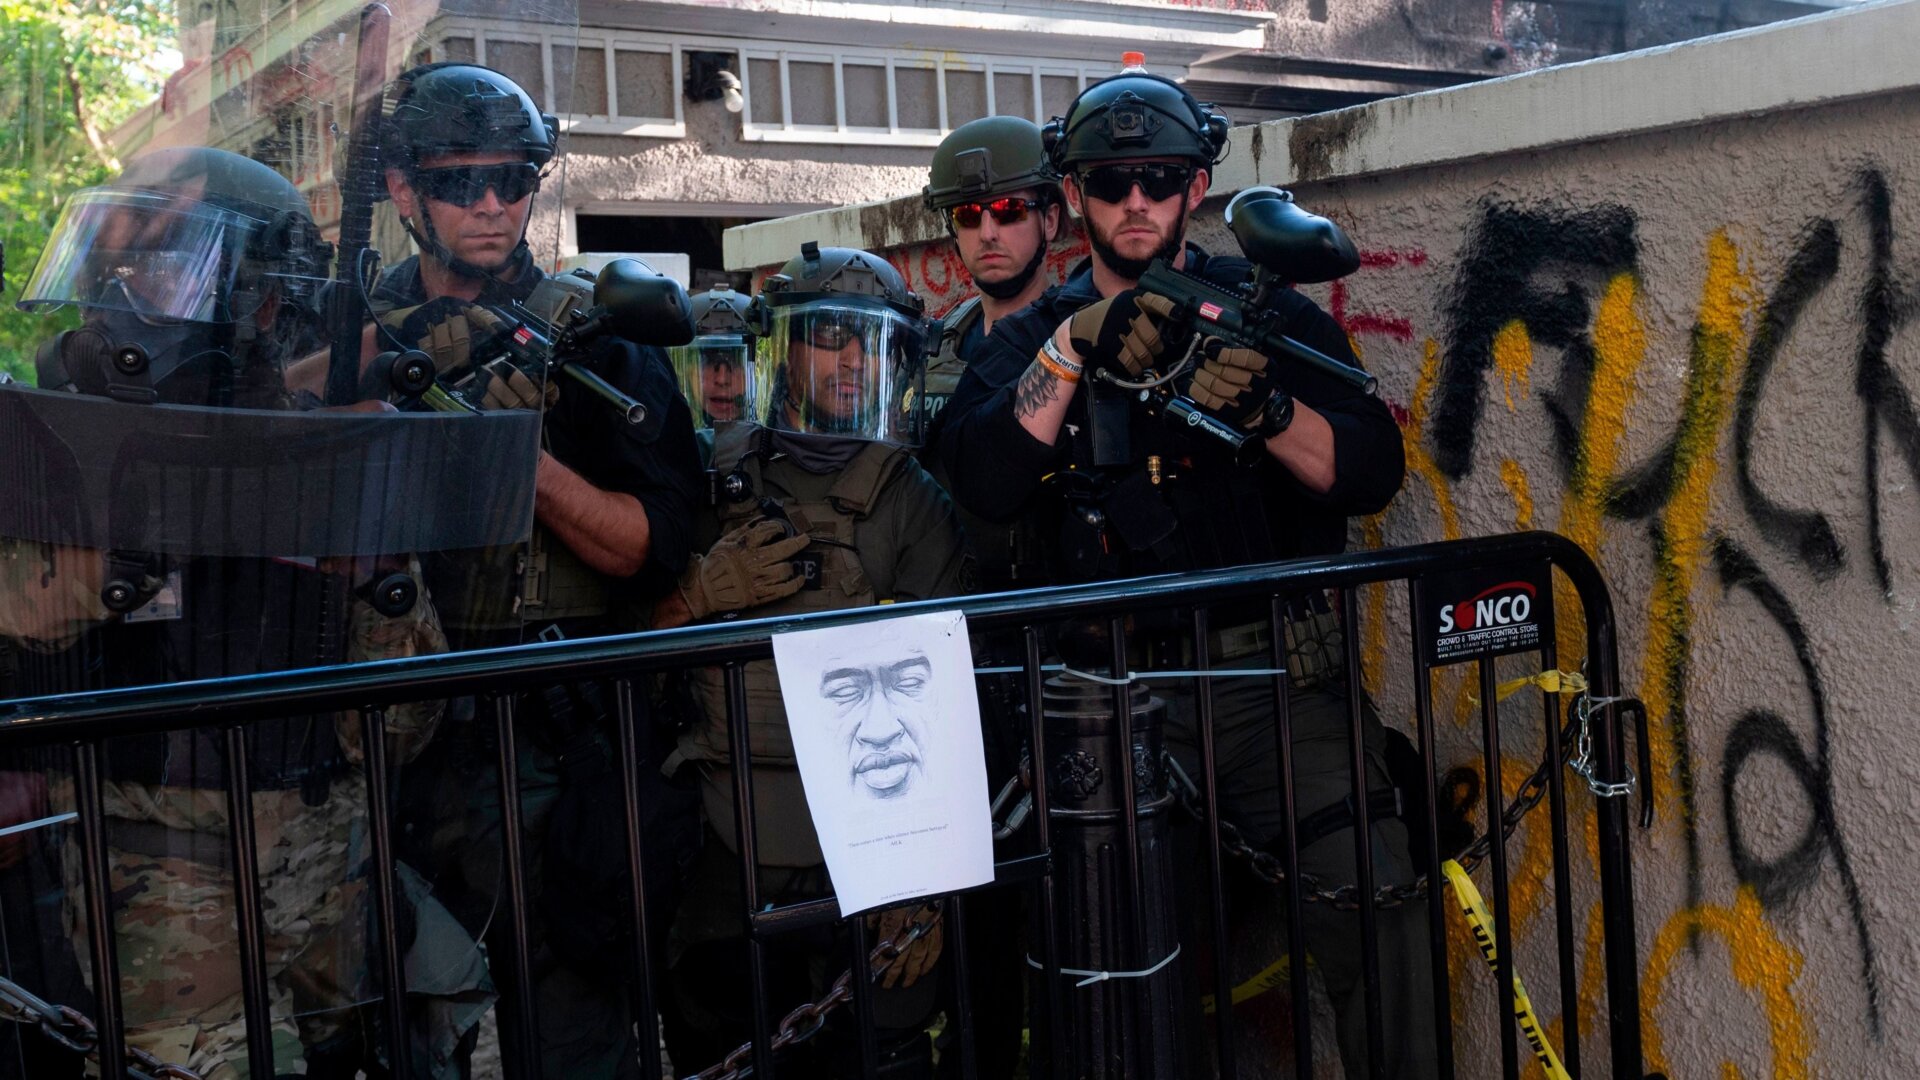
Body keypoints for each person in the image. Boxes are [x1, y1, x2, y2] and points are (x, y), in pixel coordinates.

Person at [932, 65, 1431, 1079]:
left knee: (1384, 921)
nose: (1135, 202)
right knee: (1118, 982)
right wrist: (1075, 349)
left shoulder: (1263, 314)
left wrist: (1270, 416)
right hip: (1102, 704)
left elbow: (1371, 471)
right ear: (1074, 193)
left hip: (1270, 693)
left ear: (1196, 189)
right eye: (1110, 182)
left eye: (1159, 179)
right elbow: (981, 477)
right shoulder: (1038, 332)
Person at [5, 145, 500, 1079]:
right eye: (113, 265)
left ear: (263, 301)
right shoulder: (53, 448)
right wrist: (134, 539)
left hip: (326, 872)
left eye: (158, 265)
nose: (120, 296)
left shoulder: (319, 458)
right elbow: (18, 627)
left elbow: (405, 719)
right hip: (161, 881)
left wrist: (373, 573)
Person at [368, 61, 705, 1080]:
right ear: (402, 193)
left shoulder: (592, 337)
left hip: (551, 743)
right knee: (402, 1031)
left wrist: (520, 460)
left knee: (574, 1036)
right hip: (398, 733)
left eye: (512, 180)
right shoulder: (358, 339)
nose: (490, 204)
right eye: (460, 181)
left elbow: (653, 547)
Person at [654, 243, 967, 1078]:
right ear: (782, 348)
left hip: (866, 845)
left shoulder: (911, 500)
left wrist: (917, 886)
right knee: (720, 1038)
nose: (854, 361)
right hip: (726, 829)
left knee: (880, 1048)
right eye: (829, 336)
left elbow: (942, 706)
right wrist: (698, 593)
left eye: (872, 342)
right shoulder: (710, 471)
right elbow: (632, 642)